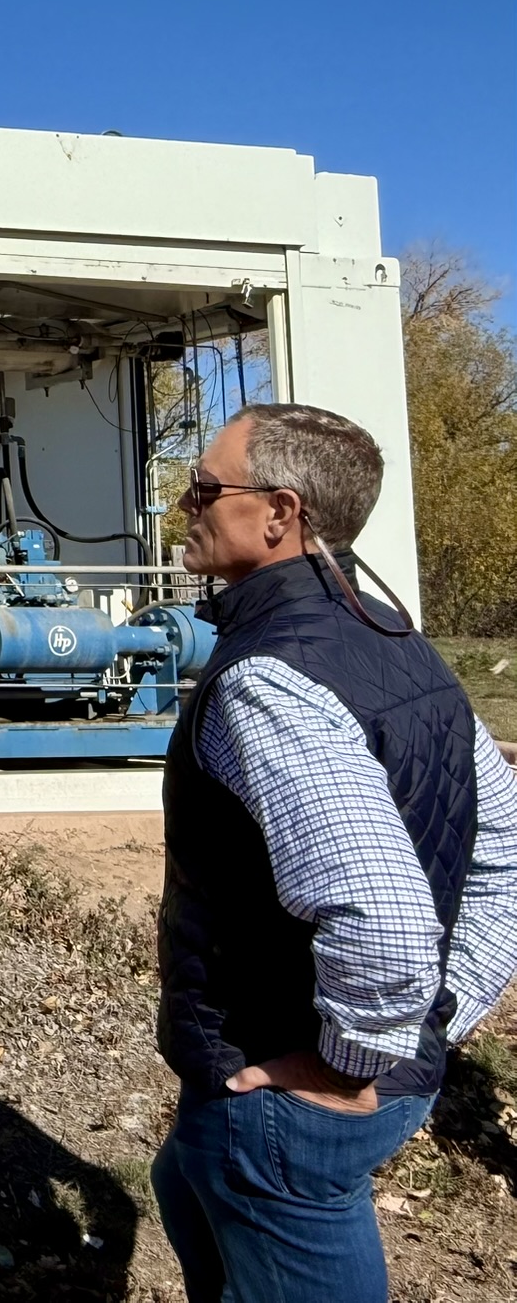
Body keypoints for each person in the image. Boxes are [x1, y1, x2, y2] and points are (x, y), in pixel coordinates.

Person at [152, 403, 517, 1303]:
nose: (184, 506)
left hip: (294, 1099)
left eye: (204, 488)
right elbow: (503, 845)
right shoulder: (401, 645)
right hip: (358, 1082)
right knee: (185, 1181)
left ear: (279, 513)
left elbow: (385, 920)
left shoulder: (270, 677)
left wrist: (349, 1063)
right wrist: (443, 1014)